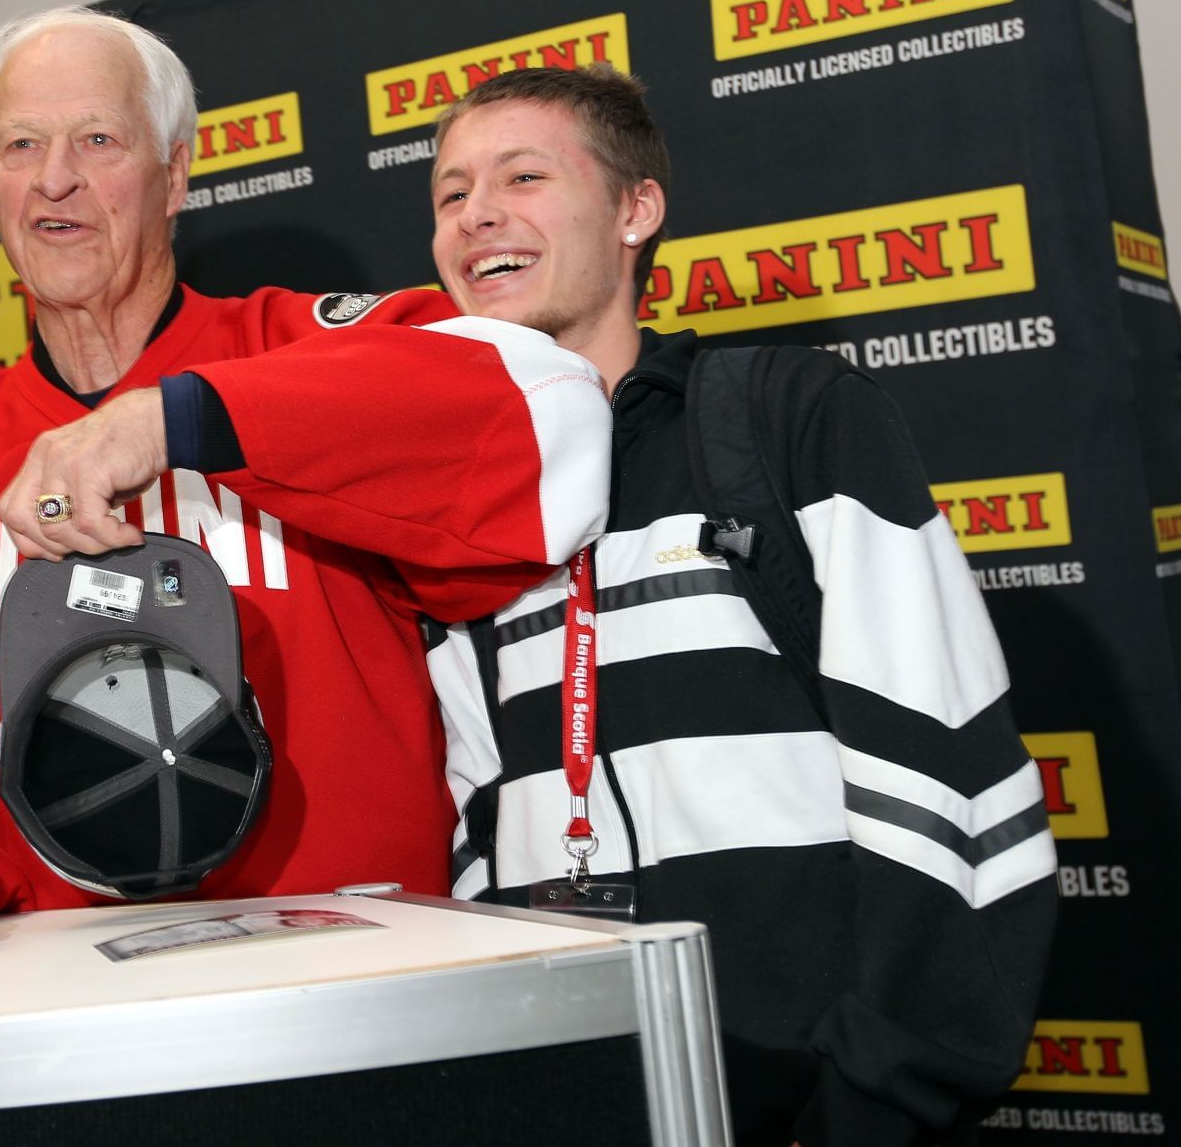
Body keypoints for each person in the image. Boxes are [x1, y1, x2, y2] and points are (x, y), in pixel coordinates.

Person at [0, 6, 613, 954]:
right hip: (67, 1013)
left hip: (353, 988)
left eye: (97, 139)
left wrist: (170, 419)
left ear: (176, 172)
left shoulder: (312, 347)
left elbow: (545, 410)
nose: (53, 177)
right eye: (21, 145)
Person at [420, 65, 1058, 1146]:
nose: (477, 211)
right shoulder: (447, 503)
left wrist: (873, 1101)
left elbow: (952, 784)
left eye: (523, 174)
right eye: (448, 192)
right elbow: (475, 817)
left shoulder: (787, 417)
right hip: (577, 1102)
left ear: (637, 210)